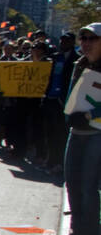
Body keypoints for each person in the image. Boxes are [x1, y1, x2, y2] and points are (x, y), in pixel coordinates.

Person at [59, 22, 101, 235]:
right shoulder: (79, 64)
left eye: (92, 39)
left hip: (97, 133)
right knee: (72, 183)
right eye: (83, 39)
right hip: (76, 131)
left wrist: (89, 114)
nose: (86, 44)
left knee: (87, 186)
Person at [42, 32, 78, 175]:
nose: (63, 43)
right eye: (62, 41)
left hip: (64, 102)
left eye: (66, 41)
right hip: (51, 99)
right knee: (50, 133)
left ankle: (60, 163)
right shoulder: (55, 58)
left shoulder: (77, 59)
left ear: (72, 42)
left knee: (61, 134)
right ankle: (50, 161)